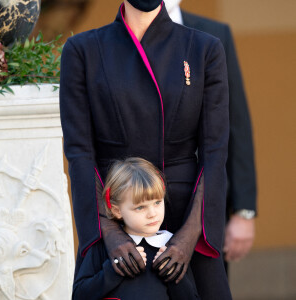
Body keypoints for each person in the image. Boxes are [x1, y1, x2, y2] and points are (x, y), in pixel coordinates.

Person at [60, 0, 232, 299]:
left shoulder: (204, 47)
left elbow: (215, 152)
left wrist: (189, 238)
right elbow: (79, 152)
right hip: (116, 212)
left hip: (185, 212)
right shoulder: (82, 50)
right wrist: (110, 233)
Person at [164, 0, 257, 264]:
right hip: (139, 204)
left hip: (207, 205)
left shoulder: (215, 34)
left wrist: (244, 211)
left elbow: (236, 123)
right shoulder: (116, 40)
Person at [72, 157, 200, 299]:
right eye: (140, 207)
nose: (152, 214)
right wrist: (112, 271)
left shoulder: (170, 248)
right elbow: (79, 295)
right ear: (117, 210)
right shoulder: (102, 246)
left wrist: (172, 275)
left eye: (157, 202)